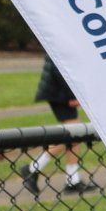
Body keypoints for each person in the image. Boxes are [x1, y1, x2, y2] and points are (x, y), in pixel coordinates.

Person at [20, 56, 89, 196]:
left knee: (74, 134)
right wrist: (72, 96)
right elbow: (60, 69)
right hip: (59, 94)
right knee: (74, 133)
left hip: (58, 92)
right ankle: (32, 168)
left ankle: (72, 180)